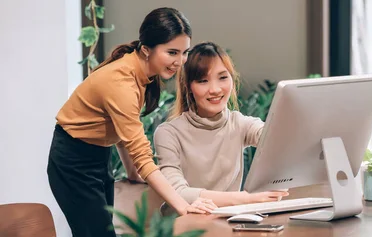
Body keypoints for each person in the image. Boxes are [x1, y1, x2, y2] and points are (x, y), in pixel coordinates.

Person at [47, 8, 216, 237]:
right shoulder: (121, 83)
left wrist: (132, 173)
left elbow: (122, 129)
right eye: (172, 52)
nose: (180, 62)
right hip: (72, 161)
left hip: (97, 154)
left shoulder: (142, 70)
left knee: (104, 231)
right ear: (146, 49)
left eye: (184, 52)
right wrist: (184, 207)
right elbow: (142, 154)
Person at [153, 42, 288, 211]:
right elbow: (176, 192)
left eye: (223, 77)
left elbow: (276, 140)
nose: (215, 89)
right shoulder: (168, 133)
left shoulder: (240, 124)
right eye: (203, 81)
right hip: (183, 227)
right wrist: (246, 199)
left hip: (226, 223)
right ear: (189, 87)